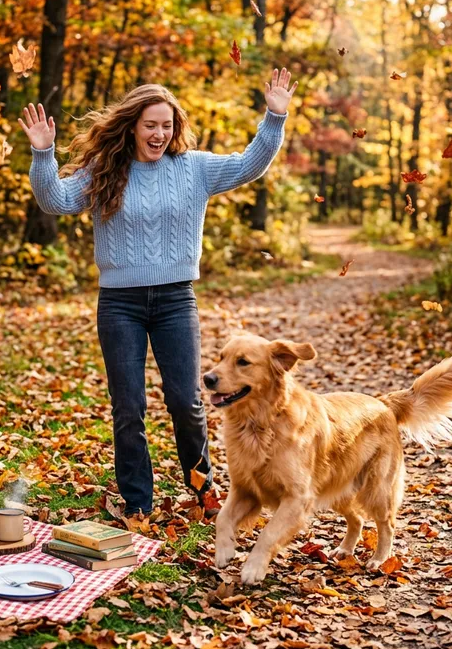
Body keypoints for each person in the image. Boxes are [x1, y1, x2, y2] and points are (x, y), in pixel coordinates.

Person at [20, 68, 298, 517]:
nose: (159, 133)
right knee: (128, 409)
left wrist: (274, 117)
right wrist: (42, 153)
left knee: (186, 402)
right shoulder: (105, 171)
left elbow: (250, 164)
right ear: (132, 126)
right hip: (120, 304)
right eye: (150, 124)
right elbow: (55, 200)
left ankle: (205, 493)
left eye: (166, 125)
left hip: (174, 300)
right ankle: (138, 504)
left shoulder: (194, 168)